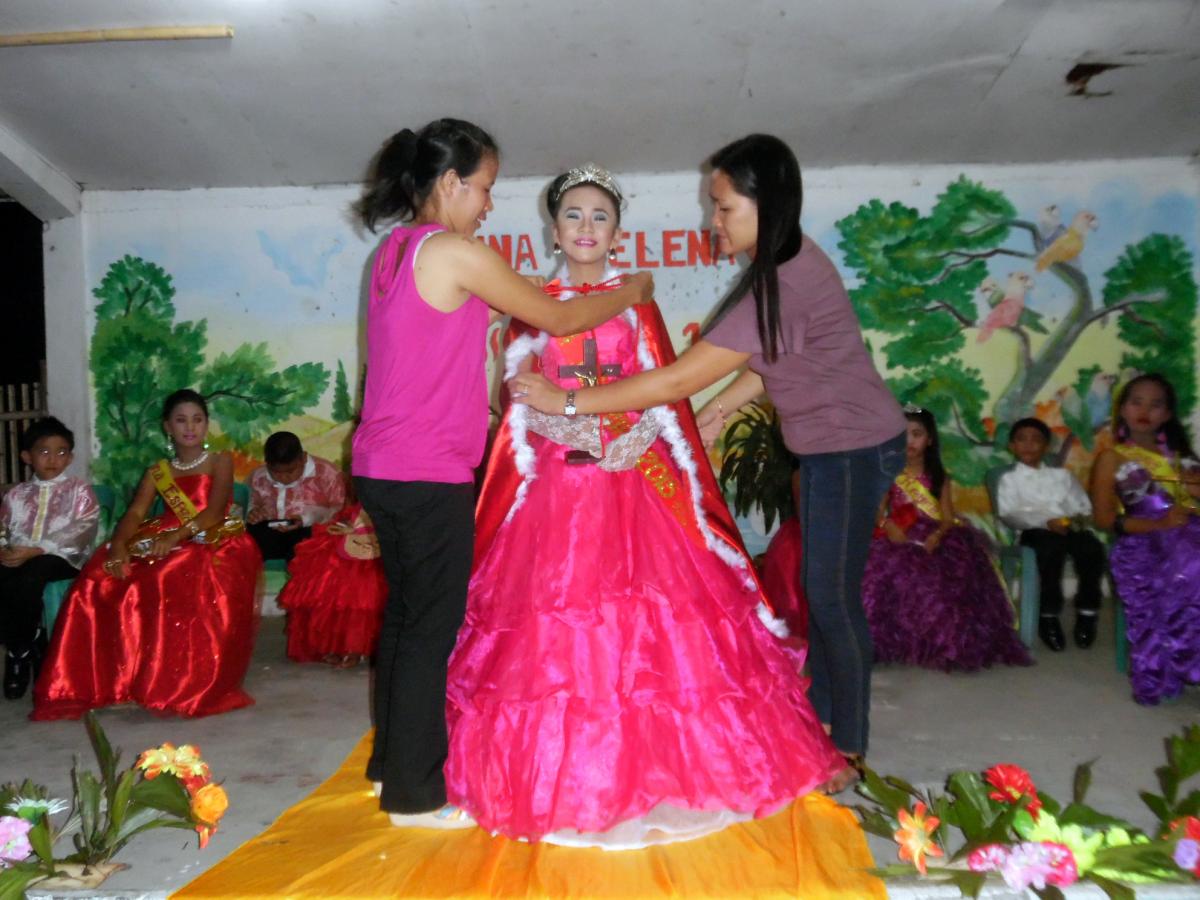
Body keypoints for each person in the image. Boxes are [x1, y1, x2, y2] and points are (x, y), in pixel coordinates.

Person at [444, 164, 843, 847]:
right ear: (553, 227)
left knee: (667, 621)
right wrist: (574, 429)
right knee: (561, 627)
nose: (587, 228)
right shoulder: (530, 302)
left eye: (601, 216)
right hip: (560, 494)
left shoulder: (636, 303)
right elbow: (520, 396)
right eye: (574, 215)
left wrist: (631, 437)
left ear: (618, 230)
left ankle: (674, 763)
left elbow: (665, 383)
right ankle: (572, 778)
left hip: (638, 479)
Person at [511, 134, 905, 785]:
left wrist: (570, 400)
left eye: (723, 208)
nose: (711, 221)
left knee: (832, 597)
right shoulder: (781, 266)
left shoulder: (786, 277)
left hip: (853, 448)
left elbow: (672, 382)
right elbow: (768, 357)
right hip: (831, 446)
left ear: (766, 203)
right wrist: (722, 409)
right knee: (821, 588)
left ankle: (849, 747)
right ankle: (827, 719)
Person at [352, 119, 653, 826]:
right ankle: (416, 795)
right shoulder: (453, 250)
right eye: (484, 187)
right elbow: (556, 316)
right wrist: (632, 291)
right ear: (451, 183)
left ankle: (387, 766)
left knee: (404, 619)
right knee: (432, 628)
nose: (488, 204)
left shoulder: (393, 251)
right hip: (426, 469)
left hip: (382, 464)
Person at [32, 390, 263, 720]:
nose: (190, 427)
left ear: (207, 425)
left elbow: (213, 513)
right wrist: (120, 547)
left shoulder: (220, 461)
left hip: (211, 539)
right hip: (164, 535)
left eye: (198, 420)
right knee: (101, 577)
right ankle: (113, 681)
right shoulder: (158, 471)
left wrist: (174, 538)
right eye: (181, 420)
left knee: (165, 575)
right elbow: (135, 513)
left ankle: (171, 682)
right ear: (167, 426)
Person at [861, 407, 1032, 671]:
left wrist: (939, 535)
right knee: (883, 572)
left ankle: (942, 645)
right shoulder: (889, 474)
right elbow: (877, 512)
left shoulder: (941, 477)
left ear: (929, 440)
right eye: (902, 435)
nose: (909, 442)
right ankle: (891, 644)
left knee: (948, 580)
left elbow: (947, 517)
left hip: (935, 536)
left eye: (916, 434)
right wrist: (887, 524)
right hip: (899, 534)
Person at [1090, 373, 1200, 705]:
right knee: (1190, 565)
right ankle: (1180, 660)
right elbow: (1104, 519)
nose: (1145, 411)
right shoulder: (1112, 458)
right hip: (1143, 541)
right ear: (1121, 409)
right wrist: (1159, 523)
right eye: (1136, 402)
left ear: (1166, 415)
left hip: (1190, 534)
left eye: (1155, 405)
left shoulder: (1184, 458)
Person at [0, 418, 99, 700]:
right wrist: (4, 549)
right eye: (44, 452)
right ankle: (29, 642)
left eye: (61, 451)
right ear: (26, 457)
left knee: (32, 575)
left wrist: (38, 548)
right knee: (7, 577)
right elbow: (3, 529)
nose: (53, 459)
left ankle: (17, 654)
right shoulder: (15, 495)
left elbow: (83, 528)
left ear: (70, 457)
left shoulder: (79, 490)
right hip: (21, 557)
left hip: (62, 557)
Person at [996, 417, 1105, 651]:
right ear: (1012, 446)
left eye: (1036, 440)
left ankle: (1088, 611)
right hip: (1034, 531)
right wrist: (1046, 521)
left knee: (1092, 548)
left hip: (1068, 527)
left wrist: (1070, 521)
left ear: (1046, 446)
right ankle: (1048, 614)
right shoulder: (1009, 480)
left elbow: (1083, 507)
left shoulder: (1062, 477)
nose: (1028, 445)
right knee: (1049, 550)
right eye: (1021, 439)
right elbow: (1009, 513)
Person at [276, 503, 386, 667]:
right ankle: (336, 646)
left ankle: (355, 649)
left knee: (362, 594)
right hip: (354, 524)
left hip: (379, 530)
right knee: (330, 579)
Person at [247, 431, 346, 562]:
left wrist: (306, 519)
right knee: (248, 541)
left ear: (303, 458)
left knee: (307, 548)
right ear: (267, 463)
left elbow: (341, 513)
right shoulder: (258, 476)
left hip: (311, 532)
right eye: (275, 472)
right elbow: (251, 503)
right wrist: (254, 513)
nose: (283, 477)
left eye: (290, 471)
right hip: (271, 531)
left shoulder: (328, 474)